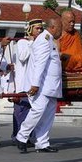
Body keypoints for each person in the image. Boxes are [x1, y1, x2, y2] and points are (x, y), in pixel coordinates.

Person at [14, 17, 63, 154]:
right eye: (59, 28)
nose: (61, 32)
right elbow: (39, 64)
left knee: (48, 115)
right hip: (42, 85)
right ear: (53, 27)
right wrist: (35, 84)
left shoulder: (49, 40)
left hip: (51, 86)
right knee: (37, 111)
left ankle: (42, 142)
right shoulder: (44, 40)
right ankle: (22, 136)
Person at [12, 18, 44, 143]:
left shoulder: (40, 43)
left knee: (32, 113)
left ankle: (29, 137)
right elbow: (22, 56)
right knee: (21, 112)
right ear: (30, 30)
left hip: (34, 83)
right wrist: (32, 43)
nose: (40, 31)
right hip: (22, 84)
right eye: (37, 28)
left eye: (41, 28)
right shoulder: (22, 42)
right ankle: (18, 137)